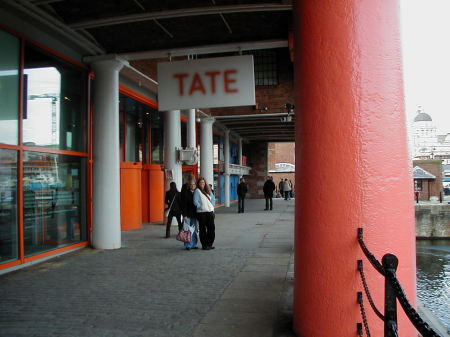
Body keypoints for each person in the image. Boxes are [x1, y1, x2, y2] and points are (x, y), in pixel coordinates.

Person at [193, 177, 216, 250]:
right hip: (201, 213)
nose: (202, 184)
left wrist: (211, 206)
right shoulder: (197, 191)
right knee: (202, 229)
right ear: (198, 183)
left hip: (210, 212)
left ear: (205, 183)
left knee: (211, 229)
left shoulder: (208, 190)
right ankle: (204, 245)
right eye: (200, 183)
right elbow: (195, 202)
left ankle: (209, 244)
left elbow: (213, 199)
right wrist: (201, 207)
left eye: (203, 182)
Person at [180, 179, 199, 250]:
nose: (192, 186)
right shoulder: (186, 193)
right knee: (187, 230)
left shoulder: (197, 192)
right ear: (189, 185)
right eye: (191, 185)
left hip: (195, 215)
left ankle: (194, 244)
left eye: (194, 184)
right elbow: (183, 205)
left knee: (194, 230)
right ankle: (188, 245)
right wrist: (184, 215)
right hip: (187, 215)